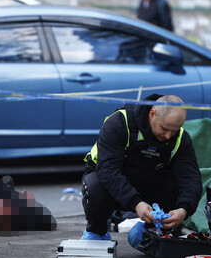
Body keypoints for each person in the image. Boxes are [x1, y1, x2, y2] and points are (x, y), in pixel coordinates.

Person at [81, 94, 202, 240]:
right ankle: (97, 231)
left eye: (175, 130)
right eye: (164, 128)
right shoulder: (120, 122)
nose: (169, 136)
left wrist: (183, 209)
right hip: (113, 184)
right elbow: (108, 170)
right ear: (152, 114)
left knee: (176, 184)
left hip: (149, 184)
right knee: (95, 187)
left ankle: (157, 232)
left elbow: (191, 178)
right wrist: (136, 203)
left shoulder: (181, 139)